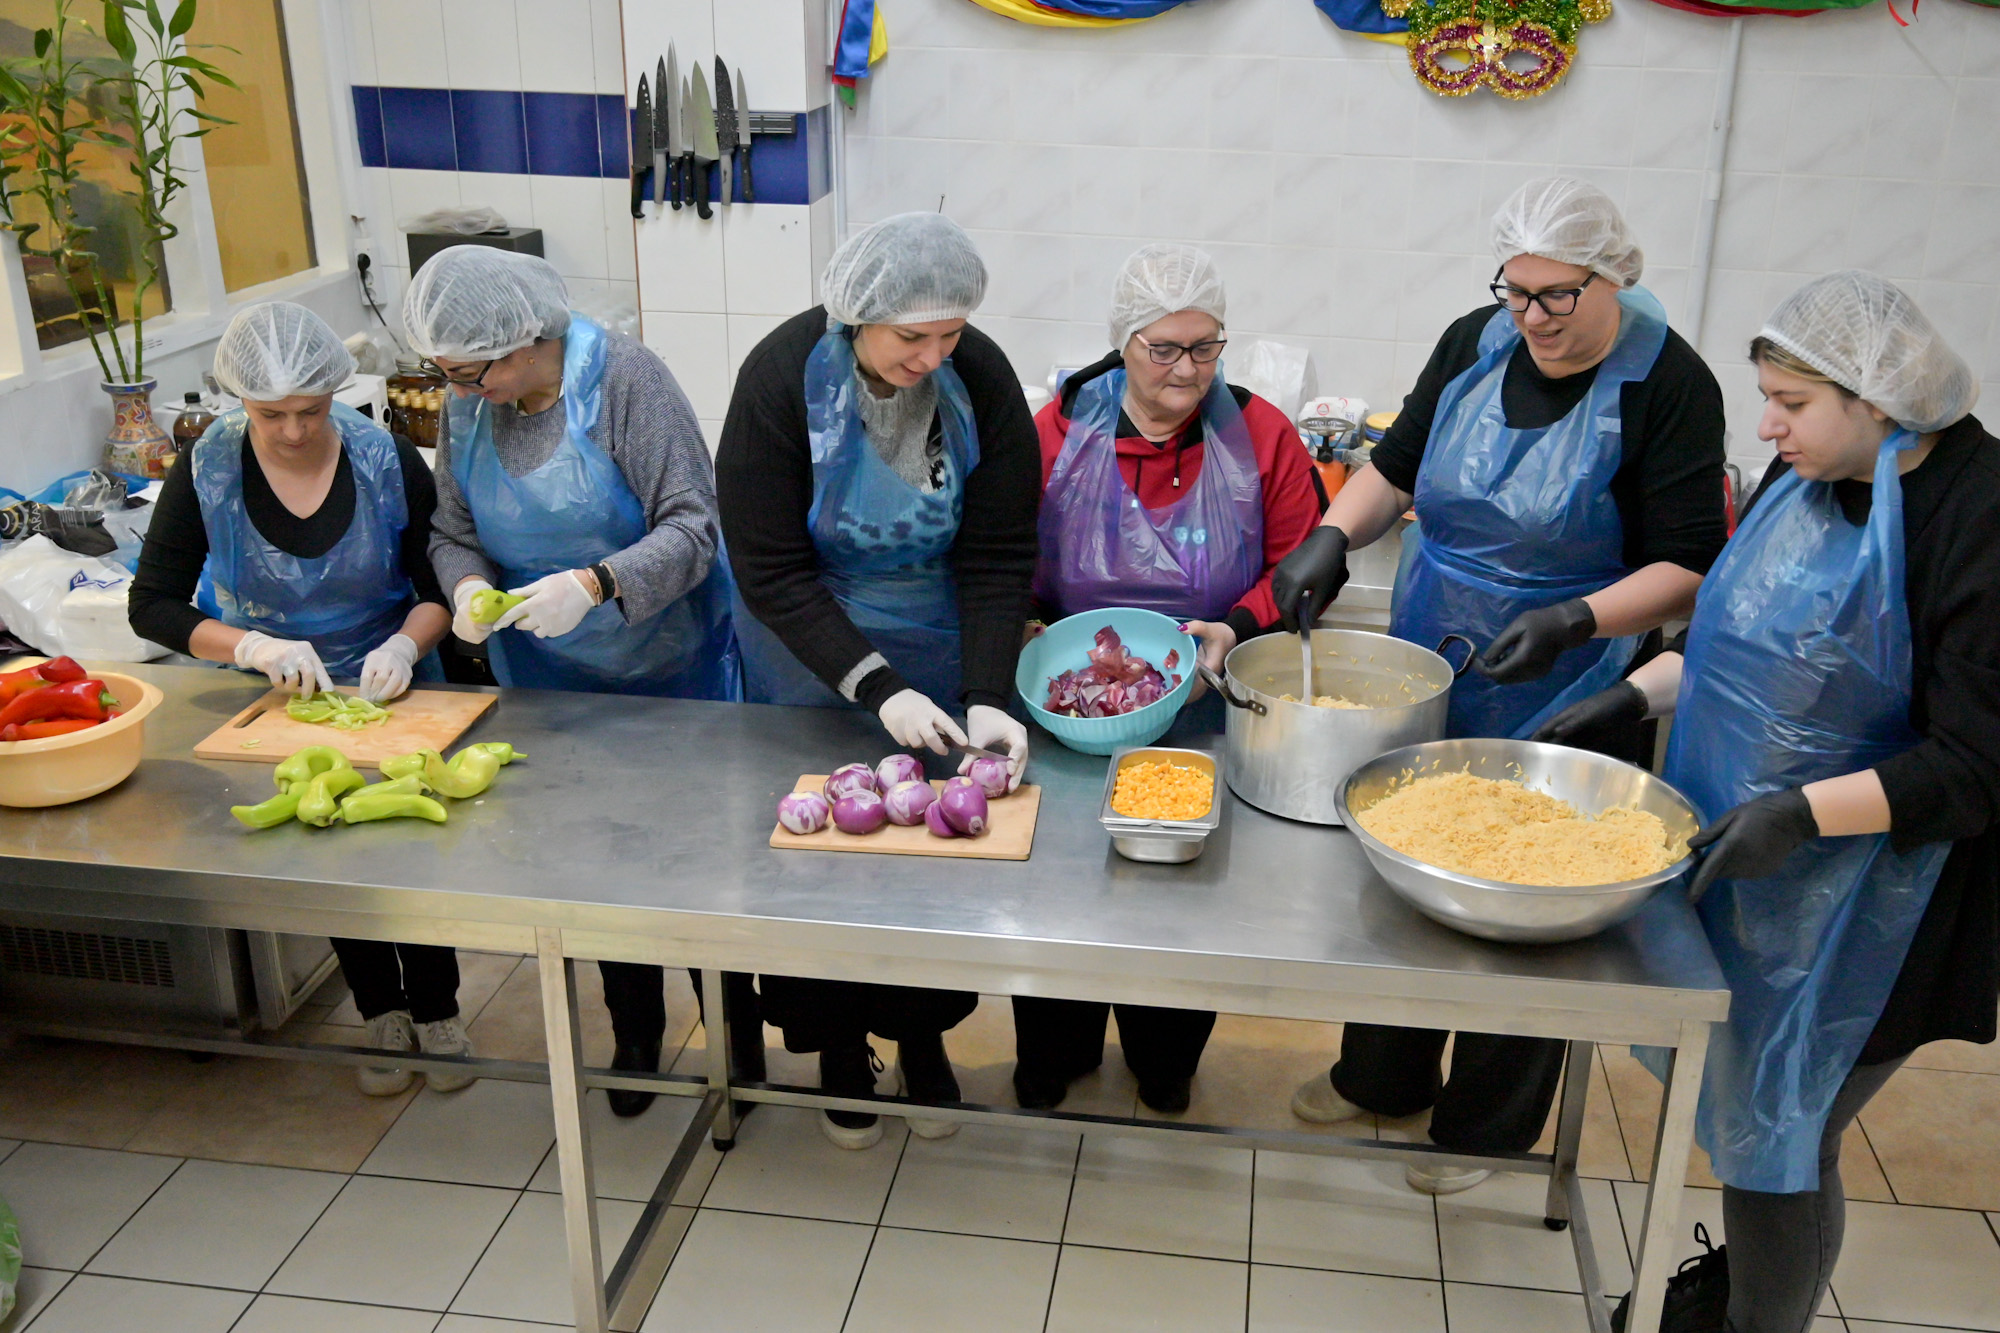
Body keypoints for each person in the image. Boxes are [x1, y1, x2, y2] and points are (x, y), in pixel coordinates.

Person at [1538, 274, 1999, 1333]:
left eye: (1789, 403)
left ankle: (1759, 1320)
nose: (1765, 424)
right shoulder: (1810, 481)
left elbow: (1973, 766)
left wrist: (1795, 816)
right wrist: (1625, 692)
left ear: (1874, 398)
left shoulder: (1972, 516)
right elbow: (1740, 653)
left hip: (1880, 901)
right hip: (1762, 870)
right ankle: (1741, 1291)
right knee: (1750, 1111)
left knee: (1786, 1132)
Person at [1272, 177, 1729, 1193]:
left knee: (1535, 904)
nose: (1530, 319)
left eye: (1555, 296)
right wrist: (1330, 535)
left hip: (1572, 670)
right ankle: (1378, 1075)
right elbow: (1392, 469)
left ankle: (1481, 1126)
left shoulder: (1669, 386)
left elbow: (1691, 561)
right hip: (1436, 646)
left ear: (1611, 276)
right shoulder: (1474, 343)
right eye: (1513, 292)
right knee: (1406, 866)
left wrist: (1576, 619)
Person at [407, 246, 754, 1119]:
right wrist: (462, 590)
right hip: (553, 684)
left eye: (470, 369)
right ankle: (634, 1030)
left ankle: (735, 1045)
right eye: (445, 372)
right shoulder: (468, 406)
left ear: (526, 337)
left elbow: (695, 525)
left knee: (704, 868)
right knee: (595, 870)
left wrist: (595, 584)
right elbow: (451, 527)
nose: (458, 387)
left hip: (676, 671)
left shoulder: (627, 382)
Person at [717, 213, 1040, 1149]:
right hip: (809, 650)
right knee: (817, 858)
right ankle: (835, 1044)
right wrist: (874, 685)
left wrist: (984, 689)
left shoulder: (976, 376)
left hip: (937, 641)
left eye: (950, 334)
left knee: (931, 868)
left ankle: (923, 1039)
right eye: (912, 338)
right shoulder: (782, 377)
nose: (934, 355)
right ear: (856, 315)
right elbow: (771, 567)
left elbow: (999, 548)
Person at [129, 301, 470, 1095]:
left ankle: (441, 1010)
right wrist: (249, 645)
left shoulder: (384, 458)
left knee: (408, 851)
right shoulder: (208, 468)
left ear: (334, 392)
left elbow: (438, 584)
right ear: (237, 400)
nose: (291, 430)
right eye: (269, 413)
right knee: (331, 851)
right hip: (284, 697)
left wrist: (403, 645)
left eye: (310, 411)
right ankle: (379, 1011)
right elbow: (154, 604)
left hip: (393, 685)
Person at [1015, 243, 1325, 1114]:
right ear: (1122, 343)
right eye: (1164, 349)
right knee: (1064, 884)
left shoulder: (1261, 434)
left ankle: (1165, 1059)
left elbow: (1303, 565)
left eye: (1206, 347)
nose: (1187, 370)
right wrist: (1030, 630)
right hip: (1070, 715)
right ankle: (1053, 1048)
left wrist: (1238, 630)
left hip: (1201, 708)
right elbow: (1005, 555)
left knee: (1182, 899)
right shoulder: (1059, 430)